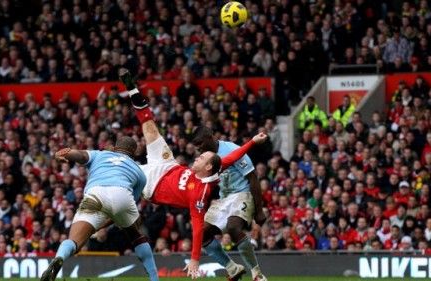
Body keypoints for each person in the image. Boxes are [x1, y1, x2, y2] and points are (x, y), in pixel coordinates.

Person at [119, 68, 268, 279]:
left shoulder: (199, 194)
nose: (196, 155)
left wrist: (195, 260)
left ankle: (256, 273)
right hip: (167, 165)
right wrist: (253, 141)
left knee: (117, 170)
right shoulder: (214, 164)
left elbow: (196, 228)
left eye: (200, 155)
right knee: (150, 127)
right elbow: (233, 157)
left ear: (208, 166)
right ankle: (132, 88)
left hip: (150, 183)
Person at [40, 137, 158, 281]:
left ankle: (59, 257)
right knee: (136, 234)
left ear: (114, 148)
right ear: (134, 152)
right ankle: (154, 278)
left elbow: (81, 155)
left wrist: (67, 153)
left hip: (95, 194)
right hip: (122, 195)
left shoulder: (100, 154)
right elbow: (122, 208)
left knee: (74, 240)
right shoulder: (139, 172)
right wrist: (102, 225)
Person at [191, 126, 268, 281]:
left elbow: (252, 177)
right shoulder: (206, 158)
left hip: (242, 194)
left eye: (200, 143)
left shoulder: (231, 149)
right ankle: (232, 268)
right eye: (196, 145)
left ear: (211, 137)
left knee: (233, 227)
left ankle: (256, 273)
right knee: (201, 233)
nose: (198, 148)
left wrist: (259, 210)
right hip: (223, 198)